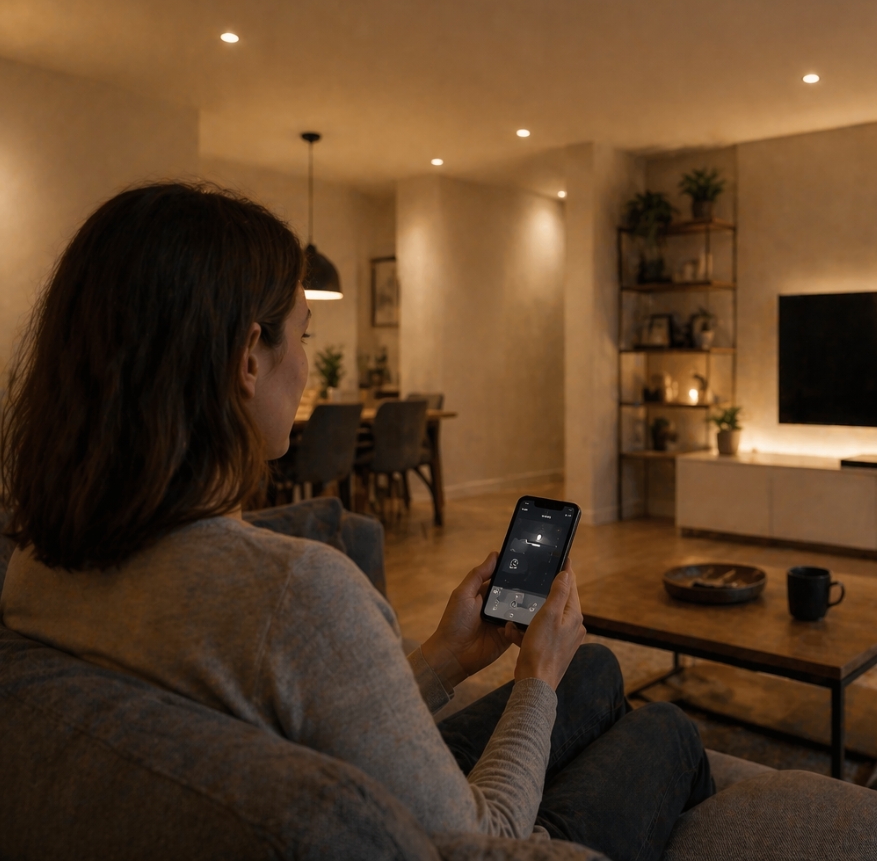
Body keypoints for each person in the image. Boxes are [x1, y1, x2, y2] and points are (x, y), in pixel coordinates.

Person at [0, 183, 713, 860]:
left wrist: (444, 658)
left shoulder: (36, 566)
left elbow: (307, 711)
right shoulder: (300, 595)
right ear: (250, 356)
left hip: (347, 801)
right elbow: (484, 835)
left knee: (592, 669)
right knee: (667, 727)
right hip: (471, 836)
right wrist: (534, 679)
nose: (307, 366)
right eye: (303, 335)